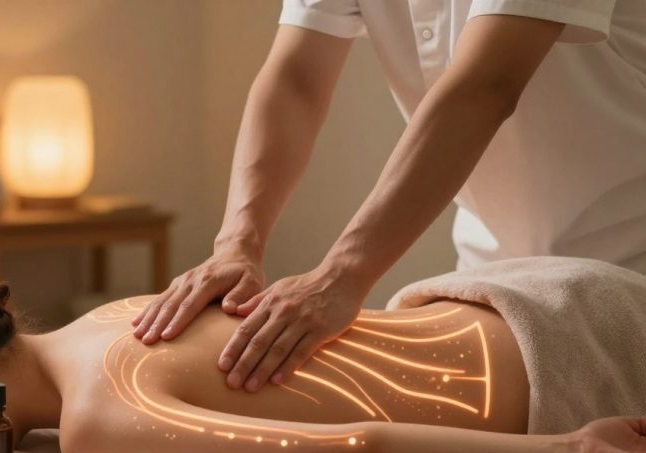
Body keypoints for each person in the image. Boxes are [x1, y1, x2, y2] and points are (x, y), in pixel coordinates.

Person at [133, 1, 646, 394]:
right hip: (491, 277)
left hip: (629, 276)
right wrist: (235, 242)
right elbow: (295, 80)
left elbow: (486, 84)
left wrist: (340, 276)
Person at [0, 269, 646, 453]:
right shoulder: (120, 311)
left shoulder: (96, 424)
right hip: (532, 297)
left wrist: (576, 447)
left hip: (580, 366)